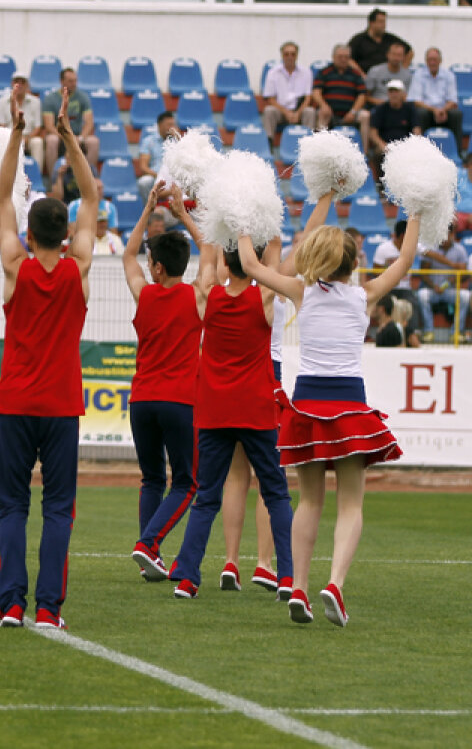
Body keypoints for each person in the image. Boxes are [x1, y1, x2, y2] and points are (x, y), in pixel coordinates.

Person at [237, 212, 417, 628]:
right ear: (353, 263)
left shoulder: (301, 291)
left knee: (309, 501)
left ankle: (299, 587)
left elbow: (249, 265)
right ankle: (334, 584)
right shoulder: (365, 295)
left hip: (307, 404)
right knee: (350, 503)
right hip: (349, 404)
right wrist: (419, 210)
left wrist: (242, 214)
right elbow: (406, 259)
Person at [0, 90, 97, 630]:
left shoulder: (15, 265)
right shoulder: (79, 268)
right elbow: (91, 195)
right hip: (60, 405)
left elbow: (2, 197)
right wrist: (69, 138)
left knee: (12, 506)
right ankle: (49, 610)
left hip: (15, 401)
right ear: (69, 233)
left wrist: (16, 134)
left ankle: (12, 603)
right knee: (58, 509)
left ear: (30, 235)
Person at [166, 235, 295, 602]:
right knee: (276, 493)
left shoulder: (208, 295)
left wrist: (208, 224)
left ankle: (188, 579)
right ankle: (288, 577)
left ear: (225, 261)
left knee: (206, 497)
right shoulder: (264, 295)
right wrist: (262, 230)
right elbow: (277, 255)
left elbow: (207, 254)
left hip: (215, 411)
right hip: (255, 410)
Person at [124, 183, 211, 579]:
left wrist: (148, 209)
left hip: (141, 400)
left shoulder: (144, 294)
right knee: (187, 483)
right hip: (180, 401)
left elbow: (127, 255)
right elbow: (208, 250)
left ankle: (150, 557)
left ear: (157, 267)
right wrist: (183, 214)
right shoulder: (196, 295)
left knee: (152, 479)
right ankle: (149, 543)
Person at [311, 44, 370, 152]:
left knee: (365, 116)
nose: (343, 59)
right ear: (333, 57)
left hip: (351, 112)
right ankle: (319, 150)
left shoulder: (356, 74)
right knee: (322, 113)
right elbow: (316, 92)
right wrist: (323, 105)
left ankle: (364, 152)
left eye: (346, 57)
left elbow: (362, 95)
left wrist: (353, 112)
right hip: (330, 112)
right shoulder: (324, 72)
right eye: (340, 57)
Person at [42, 68, 98, 178]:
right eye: (70, 81)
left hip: (77, 136)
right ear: (62, 81)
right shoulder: (50, 99)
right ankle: (54, 179)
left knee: (93, 142)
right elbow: (49, 126)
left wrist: (80, 138)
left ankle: (89, 179)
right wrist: (67, 137)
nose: (74, 84)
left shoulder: (83, 97)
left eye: (75, 80)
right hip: (59, 136)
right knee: (51, 140)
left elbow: (89, 123)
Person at [416, 224, 469, 337]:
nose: (444, 238)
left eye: (446, 234)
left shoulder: (460, 249)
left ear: (452, 234)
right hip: (433, 290)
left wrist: (449, 282)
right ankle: (429, 331)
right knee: (422, 295)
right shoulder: (431, 247)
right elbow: (423, 273)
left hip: (449, 290)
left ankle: (456, 333)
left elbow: (464, 273)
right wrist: (433, 285)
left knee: (465, 296)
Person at [373, 219, 425, 331]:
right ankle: (384, 331)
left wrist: (452, 264)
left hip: (405, 290)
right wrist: (390, 278)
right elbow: (376, 271)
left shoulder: (413, 247)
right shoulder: (383, 248)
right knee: (386, 305)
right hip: (388, 288)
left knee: (413, 303)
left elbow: (431, 253)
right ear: (403, 236)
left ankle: (412, 333)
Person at [408, 47, 462, 155]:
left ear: (440, 61)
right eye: (430, 60)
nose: (432, 62)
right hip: (426, 111)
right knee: (420, 113)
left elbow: (452, 100)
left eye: (435, 59)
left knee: (457, 114)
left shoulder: (449, 75)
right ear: (426, 61)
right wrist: (434, 110)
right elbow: (416, 101)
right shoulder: (418, 75)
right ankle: (419, 152)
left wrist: (443, 110)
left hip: (444, 111)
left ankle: (458, 152)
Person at [261, 41, 317, 138]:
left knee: (310, 111)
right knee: (268, 111)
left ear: (297, 55)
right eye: (286, 54)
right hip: (280, 110)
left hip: (299, 110)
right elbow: (270, 99)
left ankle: (309, 141)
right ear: (282, 55)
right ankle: (268, 141)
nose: (289, 57)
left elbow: (308, 97)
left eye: (293, 54)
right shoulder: (272, 73)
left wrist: (297, 113)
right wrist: (286, 113)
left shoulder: (306, 72)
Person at [0, 73, 44, 173]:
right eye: (16, 82)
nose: (19, 85)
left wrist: (27, 138)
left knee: (38, 142)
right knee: (1, 142)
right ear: (12, 84)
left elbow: (38, 127)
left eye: (23, 82)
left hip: (29, 137)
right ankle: (3, 174)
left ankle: (37, 174)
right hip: (9, 136)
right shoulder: (1, 101)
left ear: (27, 85)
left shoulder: (36, 102)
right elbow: (1, 126)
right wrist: (15, 138)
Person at [348, 8, 413, 75]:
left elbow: (410, 52)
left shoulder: (390, 39)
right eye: (380, 22)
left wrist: (402, 70)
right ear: (371, 23)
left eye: (384, 22)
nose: (384, 25)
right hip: (366, 76)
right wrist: (361, 74)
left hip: (388, 77)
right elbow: (348, 59)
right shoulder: (359, 40)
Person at [369, 79, 414, 174]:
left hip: (405, 145)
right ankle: (380, 181)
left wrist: (409, 145)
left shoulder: (410, 109)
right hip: (385, 144)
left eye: (396, 91)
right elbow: (373, 133)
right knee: (378, 153)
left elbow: (416, 131)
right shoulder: (380, 109)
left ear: (403, 94)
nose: (393, 94)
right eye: (391, 91)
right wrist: (383, 145)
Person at [136, 111, 177, 198]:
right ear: (159, 125)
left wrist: (177, 138)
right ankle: (150, 205)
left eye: (173, 125)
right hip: (155, 175)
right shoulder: (148, 141)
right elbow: (143, 167)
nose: (172, 128)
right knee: (144, 182)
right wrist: (159, 175)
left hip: (174, 176)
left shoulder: (176, 141)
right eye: (169, 125)